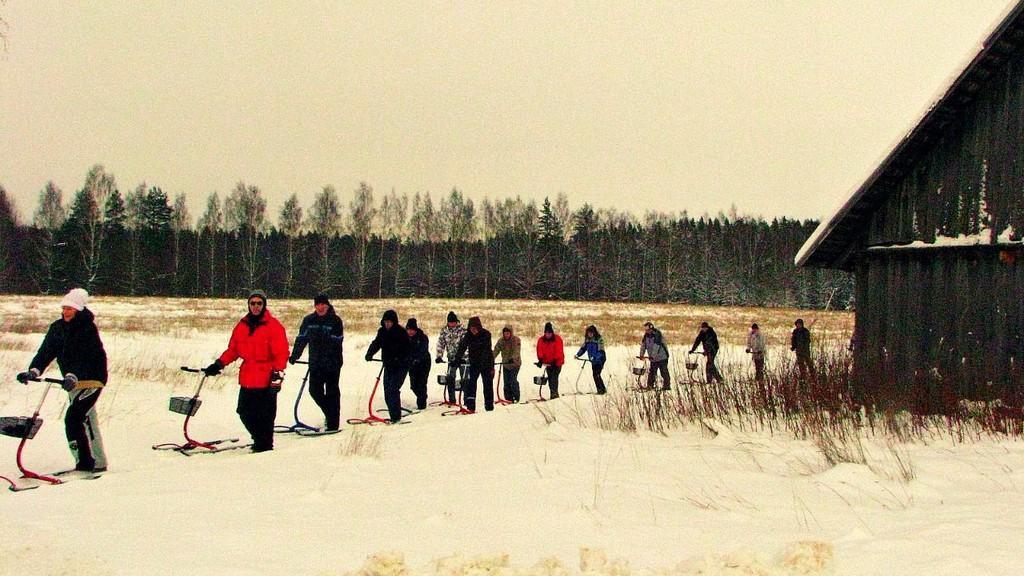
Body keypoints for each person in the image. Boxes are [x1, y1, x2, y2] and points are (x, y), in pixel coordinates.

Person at [17, 288, 108, 472]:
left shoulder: (87, 328)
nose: (66, 312)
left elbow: (86, 356)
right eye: (64, 308)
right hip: (72, 381)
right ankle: (89, 461)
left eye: (70, 309)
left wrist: (73, 374)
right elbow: (46, 351)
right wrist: (34, 371)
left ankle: (91, 463)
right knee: (86, 419)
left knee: (74, 418)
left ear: (79, 309)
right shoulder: (57, 327)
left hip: (92, 380)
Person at [204, 290, 289, 453]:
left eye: (259, 303)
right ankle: (259, 439)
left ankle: (264, 445)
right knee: (244, 412)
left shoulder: (274, 326)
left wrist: (278, 373)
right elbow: (233, 349)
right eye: (253, 303)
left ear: (264, 305)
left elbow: (281, 352)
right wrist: (219, 364)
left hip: (266, 377)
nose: (256, 307)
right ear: (248, 305)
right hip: (248, 377)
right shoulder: (242, 325)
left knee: (265, 416)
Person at [288, 293, 344, 431]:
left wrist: (324, 343)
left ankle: (333, 423)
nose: (320, 307)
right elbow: (302, 338)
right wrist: (295, 355)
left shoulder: (335, 320)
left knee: (332, 393)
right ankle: (330, 414)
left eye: (323, 304)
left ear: (327, 305)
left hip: (332, 364)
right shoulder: (309, 320)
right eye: (318, 304)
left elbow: (337, 340)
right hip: (316, 363)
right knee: (314, 391)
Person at [365, 309, 411, 423]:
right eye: (385, 322)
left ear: (394, 322)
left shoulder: (401, 332)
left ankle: (396, 417)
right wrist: (369, 353)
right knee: (387, 391)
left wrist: (398, 358)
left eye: (389, 322)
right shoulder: (382, 332)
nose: (387, 324)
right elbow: (376, 343)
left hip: (401, 366)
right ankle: (393, 413)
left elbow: (406, 349)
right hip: (388, 365)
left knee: (393, 389)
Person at [453, 316, 495, 412]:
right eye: (471, 329)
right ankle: (471, 406)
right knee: (471, 384)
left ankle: (489, 406)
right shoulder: (468, 335)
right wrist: (457, 359)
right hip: (474, 364)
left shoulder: (486, 334)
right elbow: (462, 347)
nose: (473, 331)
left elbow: (487, 351)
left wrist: (491, 367)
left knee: (487, 385)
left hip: (486, 364)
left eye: (475, 329)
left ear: (479, 327)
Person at [435, 311, 467, 405]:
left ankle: (466, 400)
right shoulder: (444, 331)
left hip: (463, 359)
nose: (452, 324)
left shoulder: (462, 330)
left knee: (465, 379)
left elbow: (466, 345)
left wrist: (462, 357)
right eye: (450, 322)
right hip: (451, 359)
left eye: (454, 322)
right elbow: (441, 343)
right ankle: (452, 399)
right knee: (450, 378)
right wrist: (439, 356)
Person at [405, 318, 431, 410]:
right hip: (411, 364)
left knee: (421, 383)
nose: (410, 332)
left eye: (412, 330)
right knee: (413, 385)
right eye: (408, 330)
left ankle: (422, 405)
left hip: (424, 363)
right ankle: (422, 396)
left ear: (415, 330)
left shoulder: (423, 337)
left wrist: (417, 358)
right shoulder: (404, 338)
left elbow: (423, 351)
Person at [492, 325, 522, 403]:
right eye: (505, 333)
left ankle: (516, 397)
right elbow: (496, 350)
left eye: (508, 333)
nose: (506, 335)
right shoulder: (501, 341)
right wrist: (491, 359)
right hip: (506, 364)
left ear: (511, 333)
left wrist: (513, 358)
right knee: (506, 382)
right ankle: (508, 398)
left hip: (515, 364)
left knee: (512, 380)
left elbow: (517, 351)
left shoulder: (516, 340)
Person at [575, 324, 607, 394]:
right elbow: (583, 349)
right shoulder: (587, 340)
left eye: (591, 333)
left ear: (594, 333)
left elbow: (600, 351)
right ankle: (602, 389)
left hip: (600, 359)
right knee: (595, 374)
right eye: (588, 333)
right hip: (593, 360)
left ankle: (601, 390)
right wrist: (578, 354)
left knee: (596, 374)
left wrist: (595, 357)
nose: (590, 334)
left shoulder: (599, 339)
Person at [536, 322, 565, 398]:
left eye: (549, 333)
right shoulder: (541, 340)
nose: (548, 335)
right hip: (548, 363)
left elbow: (559, 351)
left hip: (557, 363)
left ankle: (554, 394)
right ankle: (553, 393)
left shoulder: (557, 339)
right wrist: (540, 360)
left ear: (552, 333)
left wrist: (555, 360)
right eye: (546, 333)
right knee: (550, 378)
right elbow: (539, 350)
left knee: (554, 378)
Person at [640, 321, 672, 390]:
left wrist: (652, 356)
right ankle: (650, 386)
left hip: (662, 357)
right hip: (653, 358)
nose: (646, 331)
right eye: (645, 330)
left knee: (663, 371)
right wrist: (641, 354)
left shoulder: (657, 334)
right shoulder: (646, 335)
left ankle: (667, 386)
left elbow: (656, 346)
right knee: (652, 372)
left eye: (647, 330)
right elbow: (643, 345)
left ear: (651, 329)